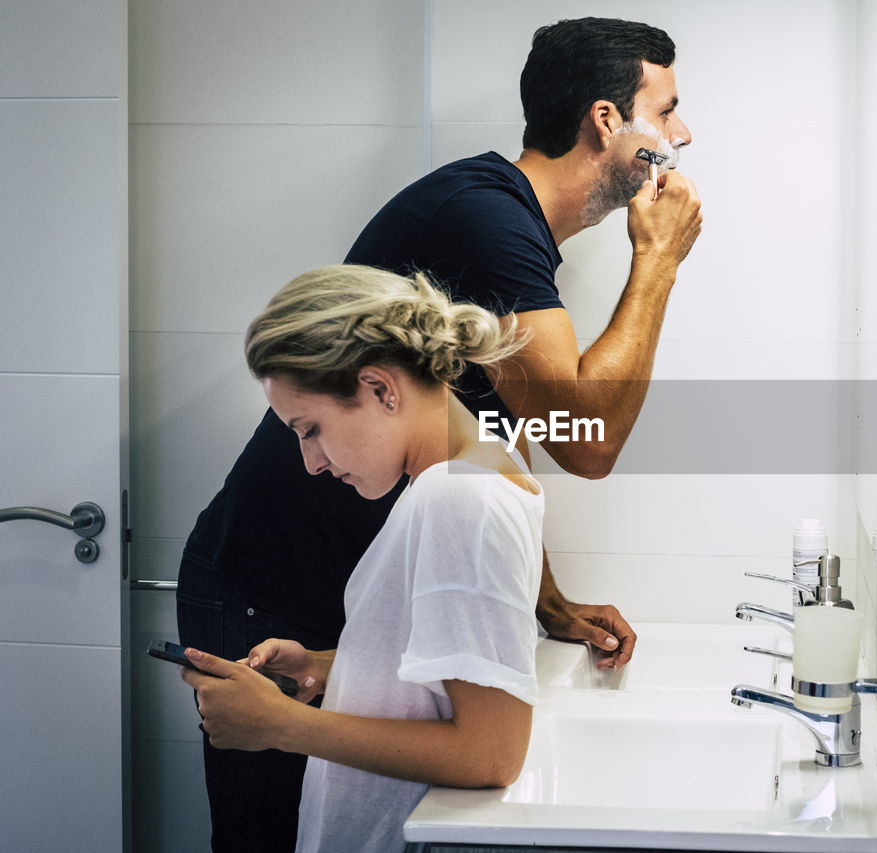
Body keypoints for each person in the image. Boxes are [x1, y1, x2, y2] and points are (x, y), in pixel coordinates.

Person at [178, 16, 701, 851]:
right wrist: (659, 263)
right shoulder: (488, 221)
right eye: (667, 109)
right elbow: (587, 437)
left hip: (348, 578)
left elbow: (506, 433)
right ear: (607, 121)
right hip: (272, 571)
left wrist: (545, 599)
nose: (680, 134)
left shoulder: (501, 228)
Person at [183, 264, 543, 853]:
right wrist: (332, 665)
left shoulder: (457, 498)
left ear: (380, 388)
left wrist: (280, 725)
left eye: (311, 429)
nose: (312, 462)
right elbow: (451, 668)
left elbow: (491, 753)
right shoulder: (482, 465)